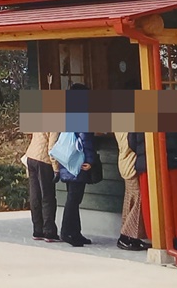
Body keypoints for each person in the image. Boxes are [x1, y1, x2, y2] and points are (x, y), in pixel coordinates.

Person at [128, 132, 177, 252]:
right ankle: (174, 240)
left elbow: (132, 142)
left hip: (147, 163)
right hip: (171, 161)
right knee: (175, 202)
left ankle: (156, 239)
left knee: (150, 203)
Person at [60, 82, 95, 247]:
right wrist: (90, 160)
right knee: (74, 199)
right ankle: (67, 232)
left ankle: (75, 232)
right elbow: (85, 139)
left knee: (72, 198)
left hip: (67, 160)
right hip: (78, 162)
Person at [114, 132, 149, 251]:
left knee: (131, 199)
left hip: (126, 162)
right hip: (131, 163)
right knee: (138, 199)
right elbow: (132, 143)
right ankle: (126, 236)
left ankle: (131, 237)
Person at [25, 132, 60, 242]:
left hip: (31, 156)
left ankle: (37, 230)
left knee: (35, 195)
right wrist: (56, 168)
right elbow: (52, 146)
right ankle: (49, 232)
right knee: (47, 196)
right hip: (44, 160)